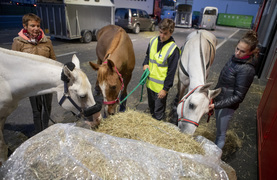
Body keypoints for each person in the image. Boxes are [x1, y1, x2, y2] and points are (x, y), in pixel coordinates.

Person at [208, 30, 259, 149]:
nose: (237, 53)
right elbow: (223, 81)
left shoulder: (247, 70)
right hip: (221, 100)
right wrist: (213, 96)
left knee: (221, 134)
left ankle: (215, 158)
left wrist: (217, 105)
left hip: (227, 106)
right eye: (237, 48)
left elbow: (238, 96)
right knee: (218, 128)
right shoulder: (234, 59)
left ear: (251, 52)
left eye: (242, 51)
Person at [12, 13, 56, 134]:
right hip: (31, 82)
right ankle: (38, 132)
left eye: (38, 25)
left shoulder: (47, 41)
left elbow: (53, 60)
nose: (36, 28)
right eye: (32, 26)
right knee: (37, 110)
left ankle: (46, 130)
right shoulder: (18, 42)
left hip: (47, 81)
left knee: (47, 108)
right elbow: (13, 64)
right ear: (25, 26)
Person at [142, 18, 180, 120]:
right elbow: (147, 56)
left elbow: (171, 73)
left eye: (165, 33)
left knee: (158, 113)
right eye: (160, 32)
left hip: (160, 89)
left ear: (171, 32)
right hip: (150, 84)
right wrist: (145, 64)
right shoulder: (153, 41)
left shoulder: (173, 50)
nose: (162, 36)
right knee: (151, 109)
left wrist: (165, 89)